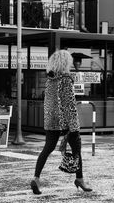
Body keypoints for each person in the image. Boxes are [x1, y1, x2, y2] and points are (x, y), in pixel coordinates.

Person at [30, 50, 92, 194]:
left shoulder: (50, 80)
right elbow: (69, 104)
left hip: (51, 121)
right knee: (77, 150)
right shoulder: (66, 79)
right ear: (66, 63)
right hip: (65, 122)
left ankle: (36, 178)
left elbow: (48, 103)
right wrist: (74, 125)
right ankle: (80, 179)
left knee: (47, 149)